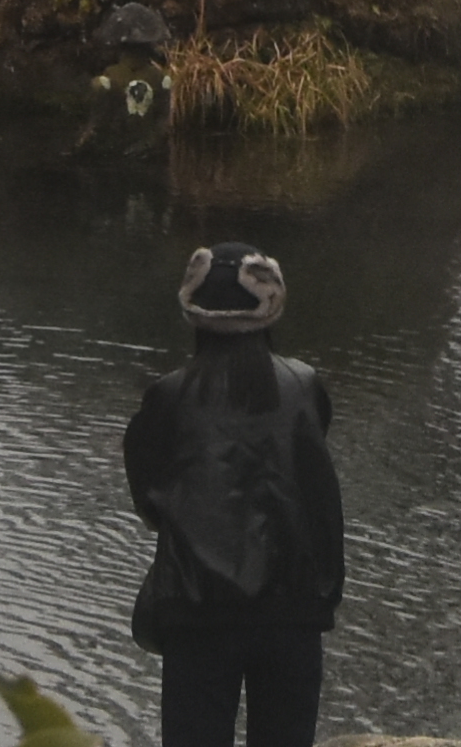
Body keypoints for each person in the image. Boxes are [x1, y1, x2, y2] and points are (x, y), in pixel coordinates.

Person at [125, 242, 344, 747]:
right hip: (294, 613)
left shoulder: (168, 396)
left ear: (195, 316)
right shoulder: (305, 385)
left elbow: (150, 503)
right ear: (269, 311)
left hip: (199, 613)